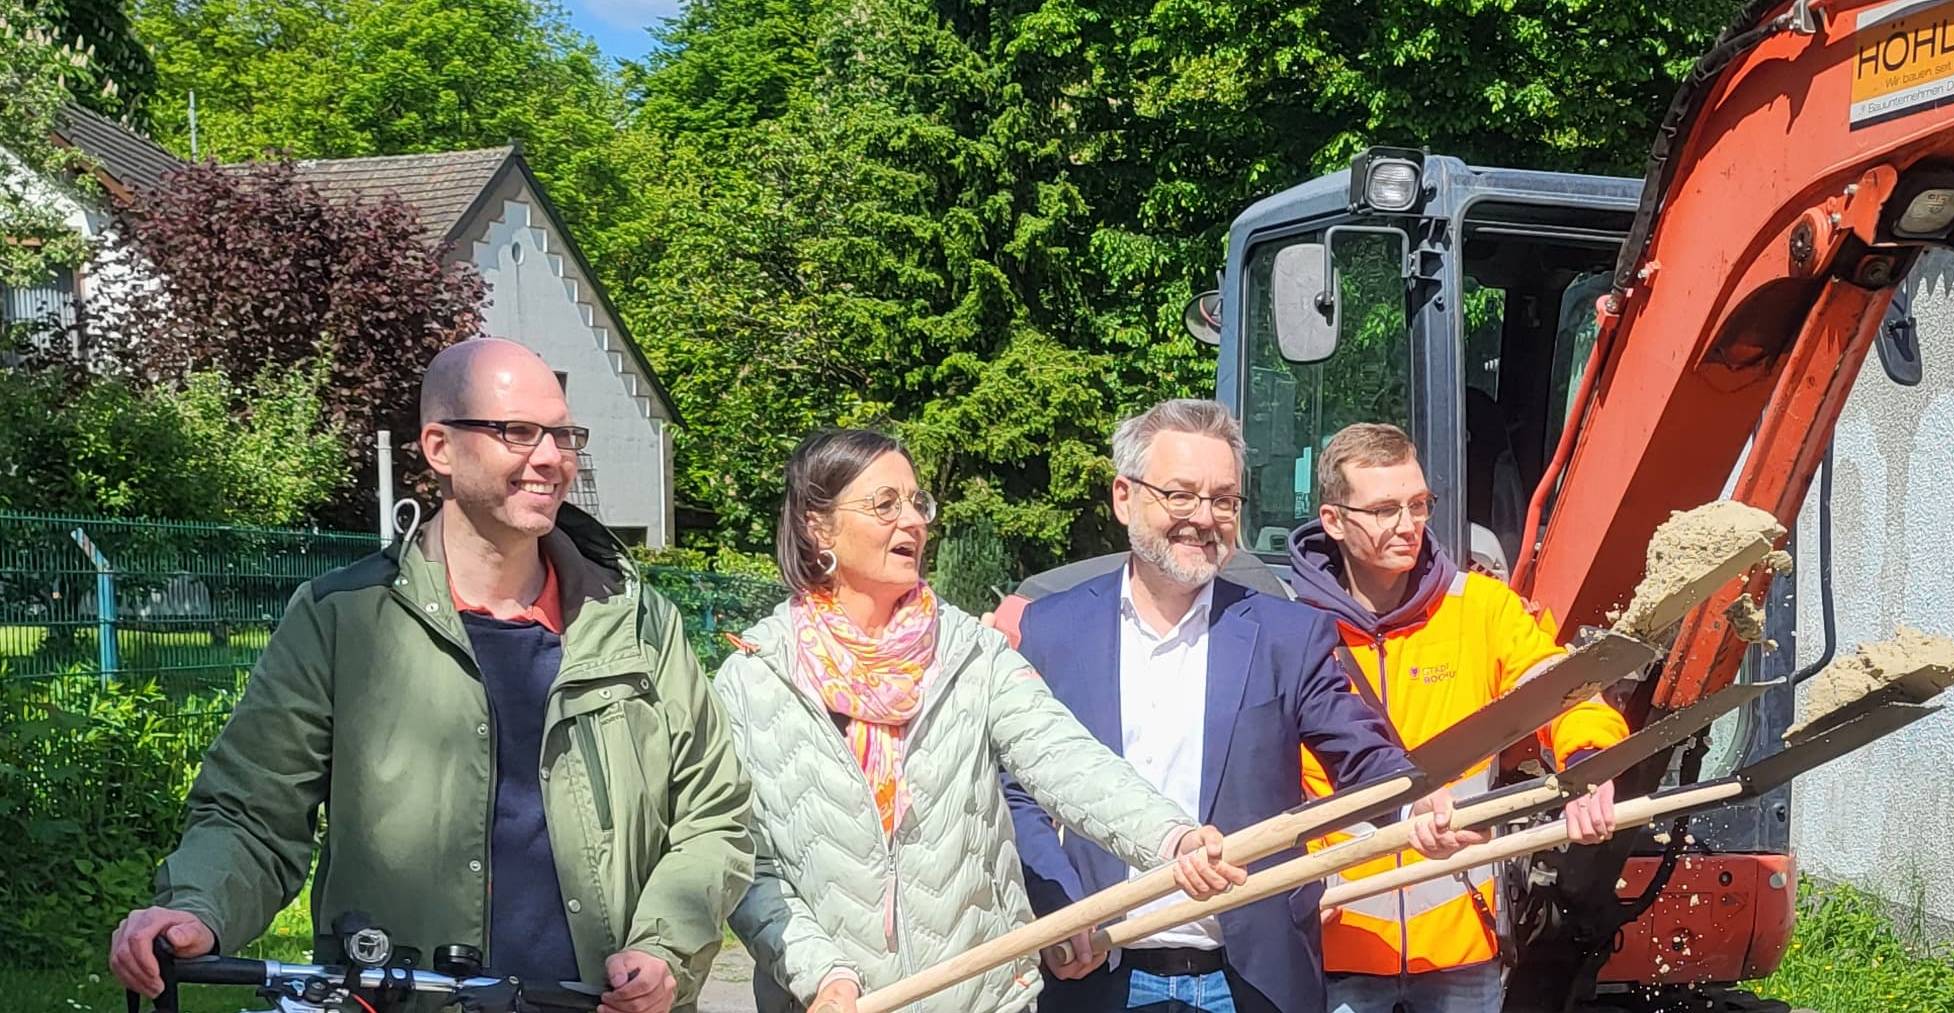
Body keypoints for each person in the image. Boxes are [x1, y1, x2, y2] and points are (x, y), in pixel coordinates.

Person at [108, 339, 754, 1013]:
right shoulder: (343, 619)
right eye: (518, 431)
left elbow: (715, 814)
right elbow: (252, 812)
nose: (551, 457)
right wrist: (196, 907)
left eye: (563, 434)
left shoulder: (639, 624)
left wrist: (661, 949)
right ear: (440, 447)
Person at [712, 428, 1248, 1013]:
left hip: (982, 999)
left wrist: (1171, 838)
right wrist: (823, 977)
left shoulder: (971, 653)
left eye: (916, 502)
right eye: (885, 505)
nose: (912, 522)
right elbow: (748, 864)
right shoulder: (755, 680)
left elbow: (1066, 758)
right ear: (818, 526)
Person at [1007, 399, 1481, 1013]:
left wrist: (1414, 803)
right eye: (1181, 496)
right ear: (1125, 497)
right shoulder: (1054, 630)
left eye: (1224, 500)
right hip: (1099, 974)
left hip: (1252, 980)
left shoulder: (1288, 635)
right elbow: (1016, 789)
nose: (1204, 519)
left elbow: (1360, 752)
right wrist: (1057, 903)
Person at [1289, 422, 1627, 1012]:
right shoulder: (1289, 626)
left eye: (1419, 504)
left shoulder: (1482, 610)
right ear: (1333, 520)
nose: (1408, 525)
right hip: (1334, 943)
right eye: (1385, 509)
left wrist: (1589, 762)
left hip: (1462, 942)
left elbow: (1562, 690)